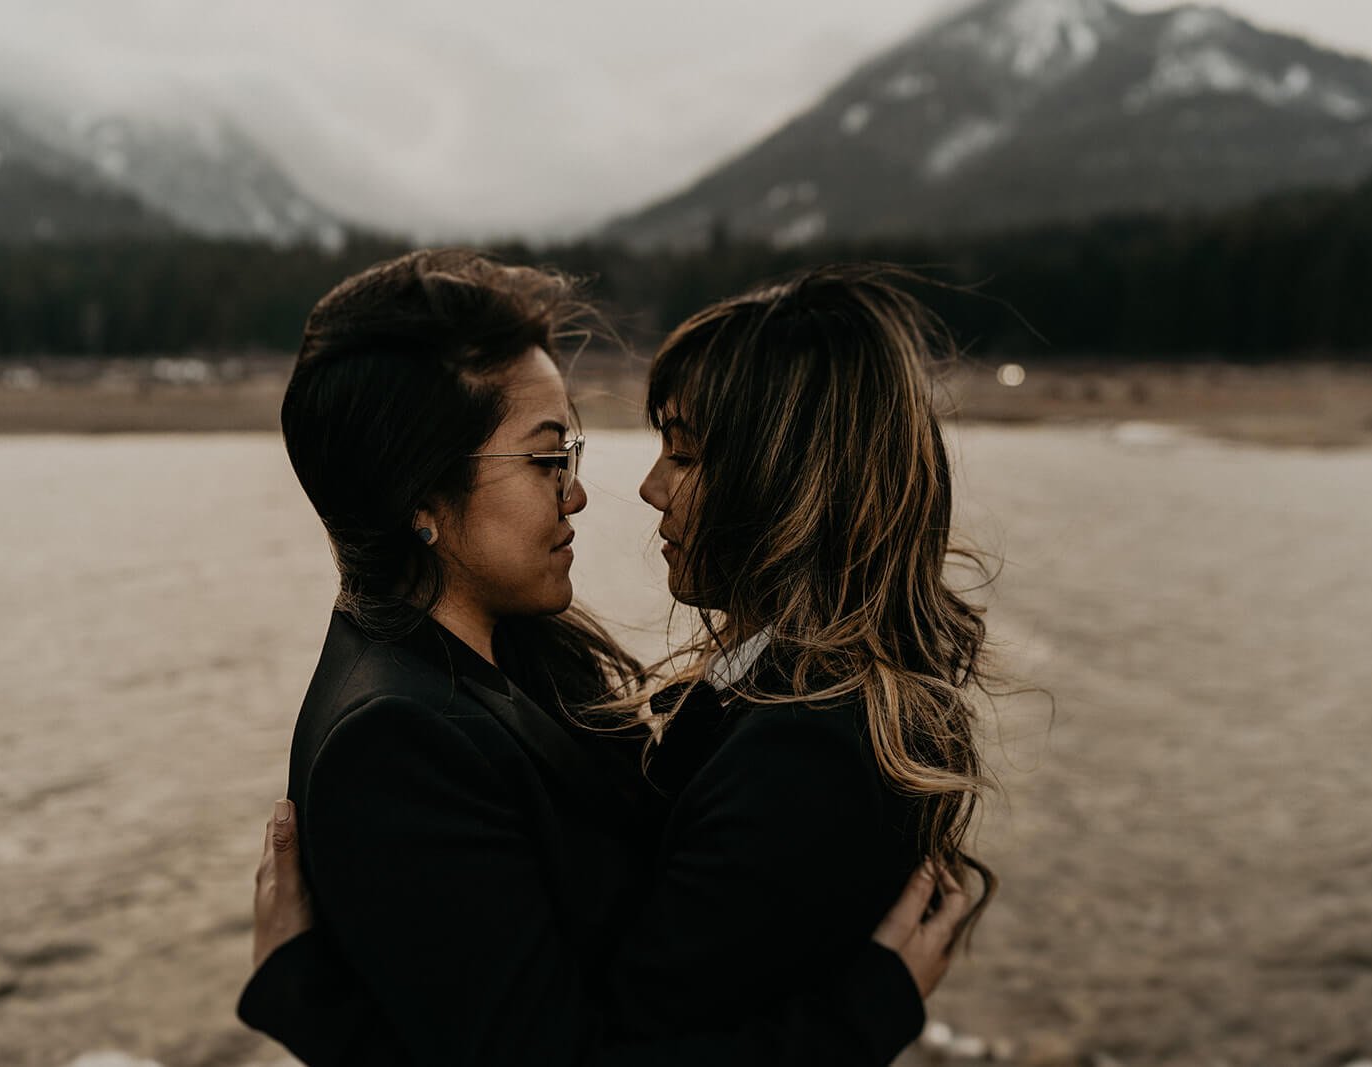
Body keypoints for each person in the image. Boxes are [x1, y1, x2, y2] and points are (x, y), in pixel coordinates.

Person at [238, 252, 991, 1064]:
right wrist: (863, 1017)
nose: (585, 492)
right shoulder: (393, 738)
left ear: (784, 477)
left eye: (573, 454)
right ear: (419, 493)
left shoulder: (517, 658)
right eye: (546, 457)